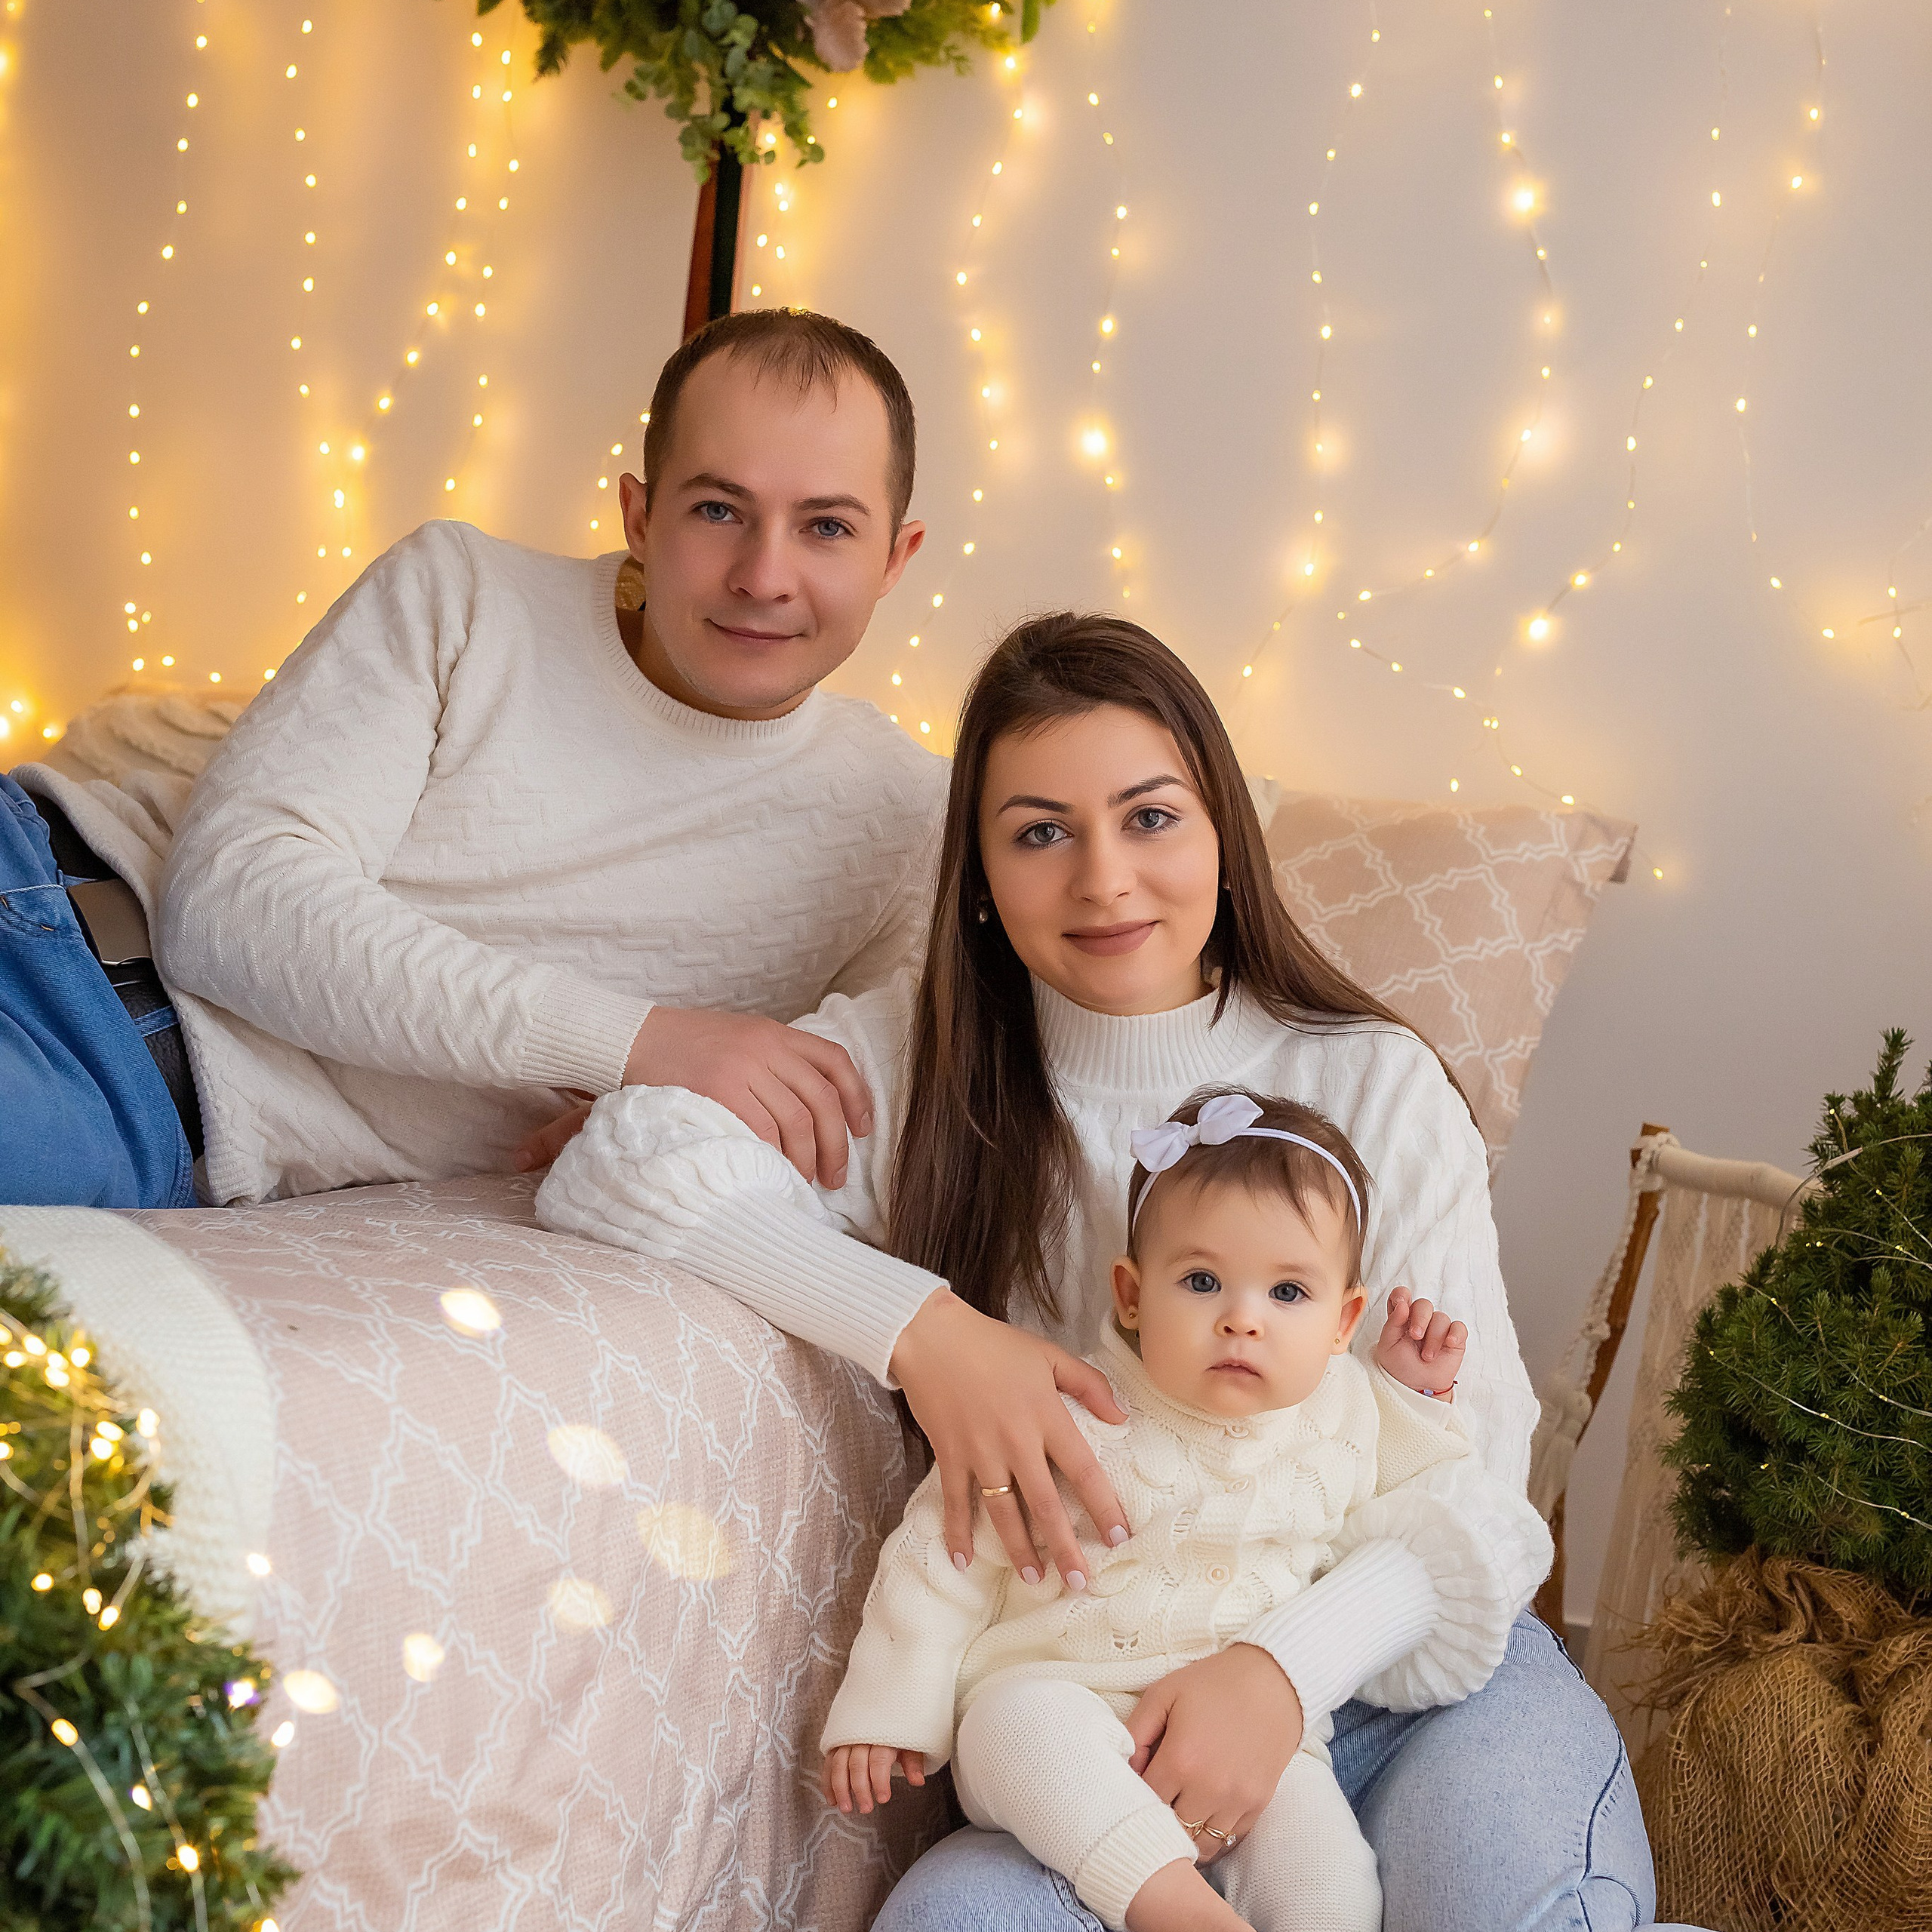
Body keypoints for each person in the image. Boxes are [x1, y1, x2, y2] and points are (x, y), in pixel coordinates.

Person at [534, 612, 1662, 1930]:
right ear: (979, 876)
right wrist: (929, 1333)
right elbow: (622, 1161)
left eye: (1151, 819)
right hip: (1096, 1739)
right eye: (1040, 834)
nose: (1105, 882)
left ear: (1224, 836)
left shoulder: (1371, 1080)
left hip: (1406, 1688)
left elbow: (1483, 1486)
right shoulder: (915, 1066)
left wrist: (1279, 1675)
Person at [2, 309, 944, 1208]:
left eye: (827, 527)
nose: (764, 576)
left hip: (142, 1101)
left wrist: (664, 1122)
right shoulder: (464, 595)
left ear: (895, 558)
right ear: (640, 517)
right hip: (50, 900)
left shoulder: (908, 823)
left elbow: (866, 1122)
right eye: (717, 509)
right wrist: (637, 1045)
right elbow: (230, 900)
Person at [820, 1088, 1499, 1932]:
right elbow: (941, 1551)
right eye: (1202, 1281)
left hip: (1257, 1745)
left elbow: (1427, 1505)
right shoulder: (1070, 1414)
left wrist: (1415, 1396)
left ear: (1343, 1319)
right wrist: (889, 1705)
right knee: (1008, 1726)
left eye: (1289, 1292)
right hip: (1069, 1702)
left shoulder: (1349, 1411)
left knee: (1332, 1877)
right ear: (1132, 1295)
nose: (1242, 1320)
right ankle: (1169, 1905)